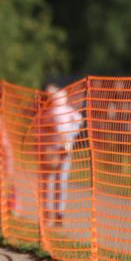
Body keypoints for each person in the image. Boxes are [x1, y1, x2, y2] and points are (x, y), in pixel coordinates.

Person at [37, 85, 83, 228]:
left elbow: (45, 131)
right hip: (59, 150)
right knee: (59, 182)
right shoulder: (66, 111)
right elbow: (78, 121)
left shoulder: (49, 112)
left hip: (52, 151)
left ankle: (51, 212)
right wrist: (70, 138)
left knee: (49, 182)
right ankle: (57, 213)